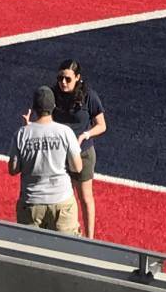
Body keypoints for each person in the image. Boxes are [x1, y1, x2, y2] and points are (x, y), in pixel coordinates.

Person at [8, 87, 83, 234]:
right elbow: (77, 167)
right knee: (66, 251)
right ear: (53, 106)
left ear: (34, 108)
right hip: (61, 200)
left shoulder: (22, 134)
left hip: (31, 202)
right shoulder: (65, 132)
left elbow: (13, 169)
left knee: (30, 250)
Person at [52, 58, 107, 238]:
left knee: (84, 197)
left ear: (78, 78)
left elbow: (101, 125)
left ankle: (89, 239)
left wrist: (85, 135)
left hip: (83, 154)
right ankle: (67, 233)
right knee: (62, 197)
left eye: (68, 79)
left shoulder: (88, 96)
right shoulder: (52, 94)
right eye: (60, 78)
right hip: (59, 155)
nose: (63, 83)